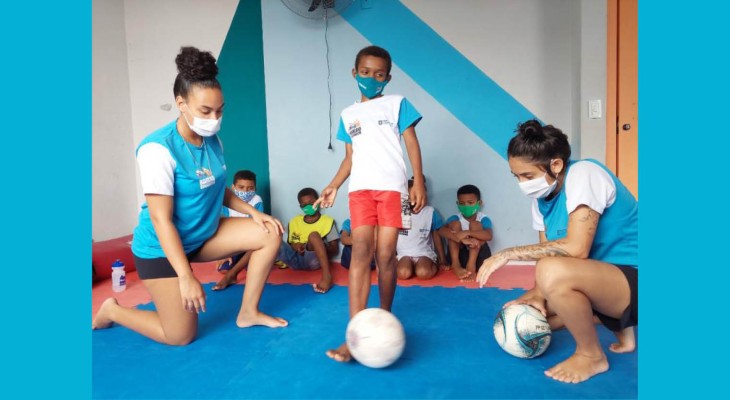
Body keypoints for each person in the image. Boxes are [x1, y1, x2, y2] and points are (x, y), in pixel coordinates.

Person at [92, 47, 288, 346]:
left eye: (220, 110)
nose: (214, 118)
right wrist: (186, 276)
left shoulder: (212, 139)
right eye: (205, 111)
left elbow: (215, 187)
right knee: (180, 335)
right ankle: (114, 311)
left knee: (270, 231)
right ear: (181, 104)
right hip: (162, 248)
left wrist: (254, 213)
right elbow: (161, 219)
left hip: (202, 237)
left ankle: (248, 312)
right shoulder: (157, 149)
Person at [476, 119, 638, 384]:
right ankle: (619, 324)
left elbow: (576, 248)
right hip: (607, 282)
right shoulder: (541, 201)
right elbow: (548, 253)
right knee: (535, 314)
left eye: (527, 176)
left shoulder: (584, 173)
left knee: (551, 273)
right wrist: (538, 295)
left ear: (557, 164)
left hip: (636, 278)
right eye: (516, 176)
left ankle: (591, 356)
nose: (522, 183)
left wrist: (508, 253)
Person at [315, 45, 426, 363]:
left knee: (387, 254)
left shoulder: (396, 104)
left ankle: (383, 320)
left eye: (379, 74)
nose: (371, 78)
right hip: (360, 191)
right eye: (365, 72)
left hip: (392, 190)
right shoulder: (348, 114)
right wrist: (334, 185)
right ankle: (355, 333)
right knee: (361, 252)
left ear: (388, 78)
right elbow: (350, 158)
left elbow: (411, 142)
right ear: (355, 73)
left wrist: (417, 181)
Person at [277, 188, 340, 294]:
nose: (308, 206)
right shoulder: (294, 221)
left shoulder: (328, 221)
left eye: (311, 203)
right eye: (304, 204)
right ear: (300, 206)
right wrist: (296, 246)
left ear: (318, 202)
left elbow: (335, 250)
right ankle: (240, 268)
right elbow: (290, 244)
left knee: (314, 235)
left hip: (313, 261)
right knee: (270, 235)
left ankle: (326, 276)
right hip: (294, 261)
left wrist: (316, 246)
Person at [212, 170, 264, 290]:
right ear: (233, 187)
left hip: (249, 244)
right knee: (222, 268)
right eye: (241, 187)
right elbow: (221, 230)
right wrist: (224, 253)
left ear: (255, 188)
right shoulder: (225, 202)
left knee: (256, 268)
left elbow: (255, 229)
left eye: (250, 188)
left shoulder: (256, 200)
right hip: (231, 244)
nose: (245, 191)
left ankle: (233, 274)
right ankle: (235, 265)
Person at [438, 184, 493, 282]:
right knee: (454, 225)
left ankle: (471, 265)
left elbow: (489, 236)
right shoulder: (455, 218)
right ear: (457, 203)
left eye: (470, 202)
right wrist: (462, 239)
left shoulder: (483, 218)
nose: (466, 206)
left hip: (479, 259)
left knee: (475, 224)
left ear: (479, 203)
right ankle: (456, 265)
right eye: (462, 203)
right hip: (459, 257)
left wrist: (467, 232)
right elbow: (441, 231)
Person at [396, 177, 447, 280]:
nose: (413, 199)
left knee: (423, 273)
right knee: (403, 273)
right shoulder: (399, 213)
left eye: (417, 195)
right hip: (404, 254)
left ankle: (430, 264)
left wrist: (442, 259)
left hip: (424, 253)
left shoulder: (430, 212)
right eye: (410, 196)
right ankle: (410, 266)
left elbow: (437, 236)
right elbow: (391, 236)